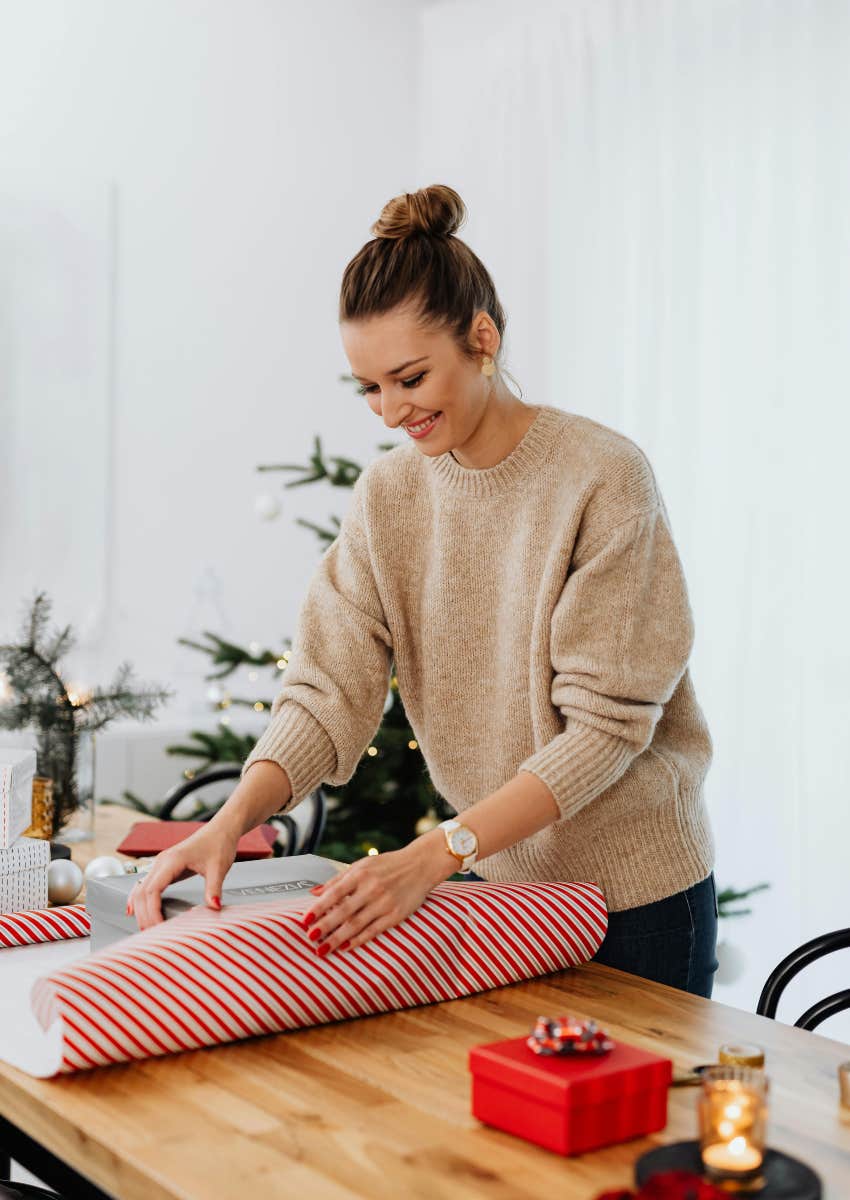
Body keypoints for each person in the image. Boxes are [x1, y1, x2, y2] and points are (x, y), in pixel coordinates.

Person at [128, 184, 718, 998]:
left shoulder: (602, 476)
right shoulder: (390, 497)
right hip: (498, 884)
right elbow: (328, 687)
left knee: (638, 1128)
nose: (391, 411)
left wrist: (440, 854)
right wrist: (232, 821)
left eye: (410, 377)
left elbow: (607, 731)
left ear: (483, 338)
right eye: (369, 387)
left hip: (637, 901)